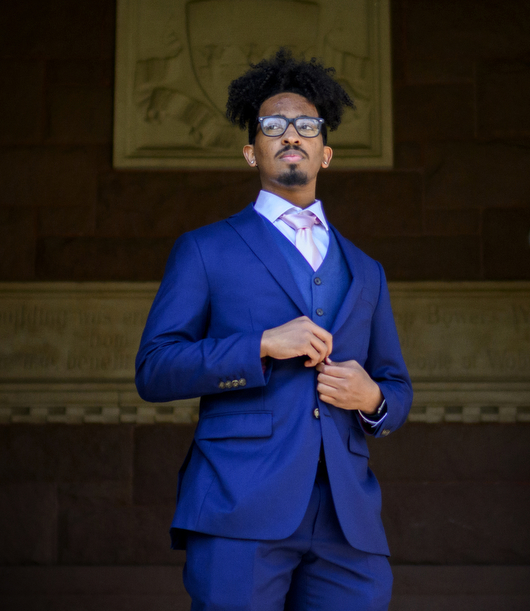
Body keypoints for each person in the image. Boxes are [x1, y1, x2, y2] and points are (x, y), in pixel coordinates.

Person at [135, 48, 412, 611]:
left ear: (325, 153)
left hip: (347, 521)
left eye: (307, 125)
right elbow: (155, 368)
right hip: (239, 502)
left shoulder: (367, 271)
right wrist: (259, 346)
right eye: (274, 125)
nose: (292, 133)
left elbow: (396, 386)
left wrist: (373, 398)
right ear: (250, 151)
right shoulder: (204, 249)